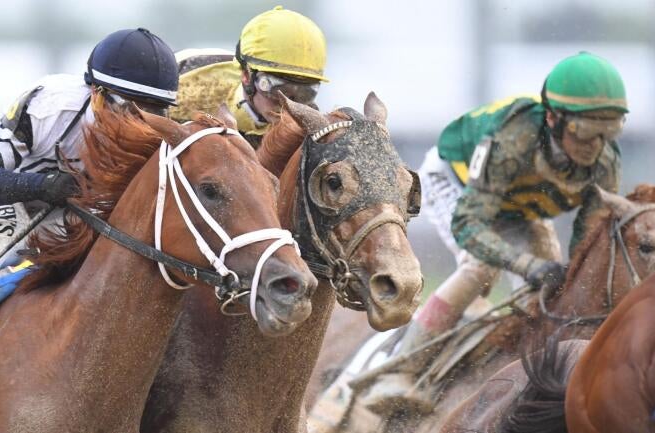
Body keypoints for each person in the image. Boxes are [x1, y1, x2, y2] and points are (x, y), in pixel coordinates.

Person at [362, 51, 627, 413]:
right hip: (457, 182)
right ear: (553, 117)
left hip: (517, 205)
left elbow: (588, 240)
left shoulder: (605, 162)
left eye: (608, 131)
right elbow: (470, 225)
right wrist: (525, 264)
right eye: (584, 130)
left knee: (553, 288)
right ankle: (399, 372)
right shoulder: (512, 139)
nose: (594, 146)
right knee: (480, 269)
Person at [0, 28, 179, 342]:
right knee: (6, 239)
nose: (141, 123)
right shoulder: (51, 103)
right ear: (97, 95)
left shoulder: (160, 137)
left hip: (52, 210)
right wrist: (43, 185)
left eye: (154, 110)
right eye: (130, 108)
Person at [170, 6, 329, 149]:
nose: (287, 105)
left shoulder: (310, 128)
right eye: (277, 89)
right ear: (246, 76)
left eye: (304, 92)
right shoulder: (188, 87)